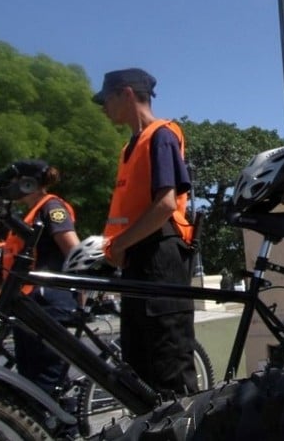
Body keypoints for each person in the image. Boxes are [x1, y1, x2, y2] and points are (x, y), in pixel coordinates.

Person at [92, 67, 197, 395]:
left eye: (106, 100)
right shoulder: (128, 148)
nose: (103, 108)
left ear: (125, 93)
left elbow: (165, 204)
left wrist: (119, 244)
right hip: (137, 261)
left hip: (160, 257)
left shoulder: (161, 135)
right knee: (140, 369)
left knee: (170, 369)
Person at [0, 160, 81, 430]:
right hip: (30, 305)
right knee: (31, 381)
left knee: (48, 382)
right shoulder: (29, 213)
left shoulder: (51, 207)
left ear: (29, 182)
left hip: (49, 302)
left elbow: (72, 250)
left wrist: (83, 291)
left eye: (18, 180)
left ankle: (65, 433)